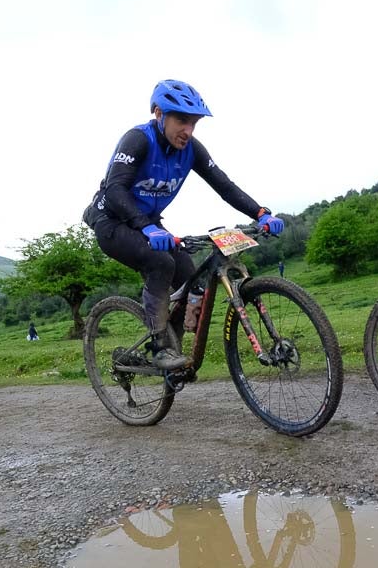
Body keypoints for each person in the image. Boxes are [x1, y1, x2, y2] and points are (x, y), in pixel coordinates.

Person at [82, 79, 284, 371]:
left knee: (190, 276)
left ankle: (172, 350)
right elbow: (115, 189)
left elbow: (224, 185)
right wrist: (147, 228)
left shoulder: (191, 149)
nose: (188, 130)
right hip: (111, 220)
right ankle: (160, 348)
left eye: (194, 123)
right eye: (181, 120)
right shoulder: (138, 140)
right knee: (161, 263)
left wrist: (261, 213)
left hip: (147, 224)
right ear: (159, 114)